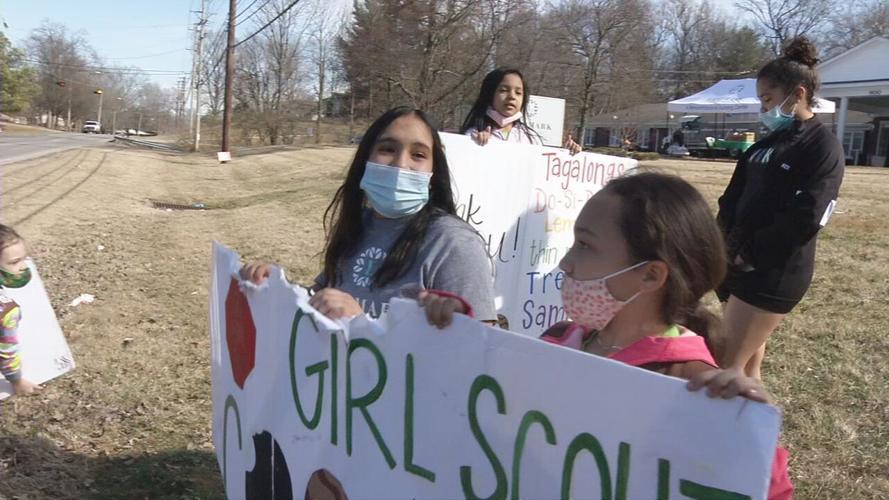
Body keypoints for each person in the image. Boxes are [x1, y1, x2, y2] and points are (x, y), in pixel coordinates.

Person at [419, 172, 793, 499]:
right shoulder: (559, 339)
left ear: (650, 275)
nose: (566, 262)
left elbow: (751, 490)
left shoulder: (690, 384)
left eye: (585, 245)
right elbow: (491, 402)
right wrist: (457, 331)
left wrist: (752, 435)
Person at [242, 107, 497, 323]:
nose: (400, 164)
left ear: (433, 172)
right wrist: (276, 287)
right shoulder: (358, 227)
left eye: (418, 155)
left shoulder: (454, 244)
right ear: (365, 160)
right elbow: (322, 297)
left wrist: (362, 322)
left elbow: (484, 352)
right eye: (387, 149)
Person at [716, 36, 844, 380]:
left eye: (768, 99)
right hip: (737, 264)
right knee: (744, 375)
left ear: (798, 94)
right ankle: (760, 433)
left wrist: (751, 254)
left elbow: (809, 216)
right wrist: (722, 244)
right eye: (761, 101)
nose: (763, 110)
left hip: (771, 271)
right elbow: (733, 197)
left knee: (725, 369)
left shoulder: (823, 146)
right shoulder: (767, 143)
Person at [460, 67, 582, 154]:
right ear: (489, 94)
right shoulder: (473, 135)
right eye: (503, 90)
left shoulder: (531, 138)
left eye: (518, 93)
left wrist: (566, 153)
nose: (512, 96)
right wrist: (476, 145)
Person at [0, 224, 42, 396]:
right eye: (15, 262)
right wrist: (16, 381)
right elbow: (6, 351)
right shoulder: (7, 311)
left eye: (24, 258)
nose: (24, 266)